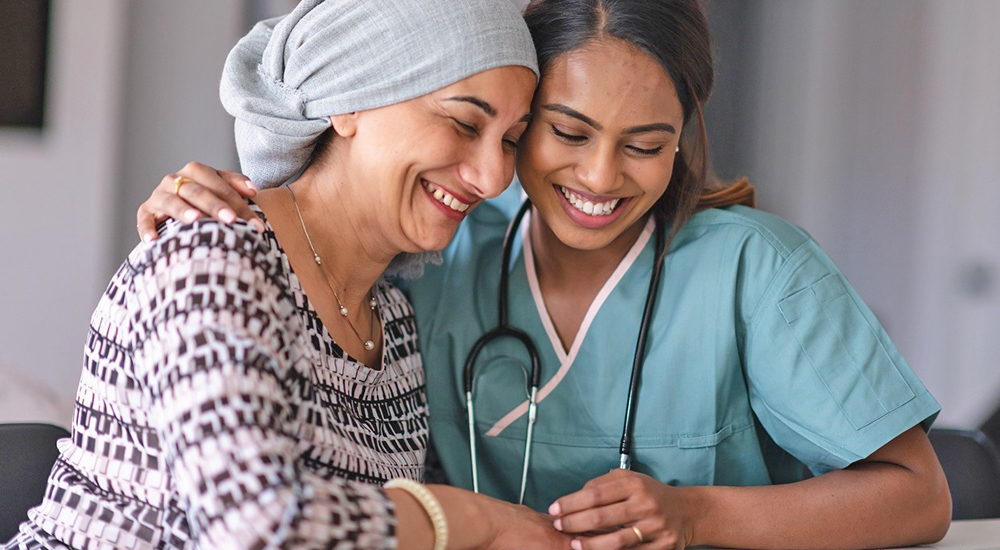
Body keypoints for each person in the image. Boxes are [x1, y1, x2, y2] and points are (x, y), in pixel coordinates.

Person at [134, 0, 952, 549]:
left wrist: (695, 512)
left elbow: (921, 495)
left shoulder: (758, 271)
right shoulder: (436, 258)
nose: (602, 177)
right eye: (565, 131)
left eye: (645, 145)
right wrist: (217, 208)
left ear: (683, 139)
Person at [3, 1, 575, 549]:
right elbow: (254, 528)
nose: (494, 175)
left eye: (510, 141)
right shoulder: (213, 262)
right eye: (463, 123)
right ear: (349, 101)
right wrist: (474, 519)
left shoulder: (394, 318)